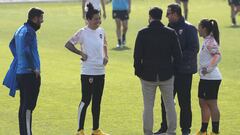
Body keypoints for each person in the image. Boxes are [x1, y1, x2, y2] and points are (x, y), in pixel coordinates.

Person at [134, 7, 182, 135]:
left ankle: (148, 132)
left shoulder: (143, 33)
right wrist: (173, 71)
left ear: (150, 16)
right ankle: (171, 131)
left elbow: (137, 56)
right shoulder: (170, 33)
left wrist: (138, 72)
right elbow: (178, 55)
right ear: (161, 17)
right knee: (170, 105)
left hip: (147, 75)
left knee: (148, 106)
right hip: (166, 74)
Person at [154, 3, 199, 135]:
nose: (166, 16)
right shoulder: (169, 27)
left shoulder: (189, 28)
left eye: (168, 13)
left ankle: (185, 129)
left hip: (184, 72)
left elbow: (193, 49)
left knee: (184, 101)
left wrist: (176, 57)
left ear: (176, 13)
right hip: (169, 72)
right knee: (165, 101)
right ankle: (165, 127)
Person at [65, 3, 109, 135]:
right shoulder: (82, 32)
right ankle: (80, 130)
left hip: (100, 71)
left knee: (97, 101)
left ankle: (95, 129)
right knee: (86, 100)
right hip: (88, 72)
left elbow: (105, 43)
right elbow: (68, 44)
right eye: (96, 19)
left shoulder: (101, 31)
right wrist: (81, 53)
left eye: (99, 18)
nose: (98, 21)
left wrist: (106, 56)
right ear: (88, 19)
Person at [3, 7, 44, 135]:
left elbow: (11, 44)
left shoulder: (20, 29)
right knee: (28, 107)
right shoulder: (30, 31)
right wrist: (34, 68)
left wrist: (18, 58)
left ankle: (24, 132)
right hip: (29, 75)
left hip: (21, 74)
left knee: (23, 105)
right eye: (41, 18)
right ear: (34, 18)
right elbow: (26, 50)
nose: (42, 21)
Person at [195, 19, 222, 135]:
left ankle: (215, 131)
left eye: (199, 27)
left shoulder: (210, 41)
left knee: (212, 103)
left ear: (204, 28)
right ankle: (203, 130)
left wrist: (208, 69)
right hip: (205, 78)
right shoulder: (207, 40)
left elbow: (217, 56)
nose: (198, 29)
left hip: (212, 78)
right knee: (202, 102)